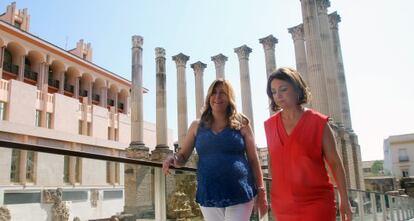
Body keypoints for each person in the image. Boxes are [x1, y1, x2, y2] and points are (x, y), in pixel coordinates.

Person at [162, 79, 268, 221]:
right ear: (208, 97)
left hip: (239, 192)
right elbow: (182, 156)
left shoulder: (242, 123)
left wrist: (261, 192)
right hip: (209, 194)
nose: (217, 97)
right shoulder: (196, 126)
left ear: (230, 98)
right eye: (214, 93)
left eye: (222, 93)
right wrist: (172, 158)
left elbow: (254, 159)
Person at [264, 67, 353, 221]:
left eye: (283, 89)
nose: (278, 95)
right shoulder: (269, 125)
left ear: (297, 89)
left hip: (316, 203)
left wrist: (344, 199)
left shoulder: (319, 122)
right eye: (273, 92)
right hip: (283, 206)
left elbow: (335, 163)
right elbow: (273, 163)